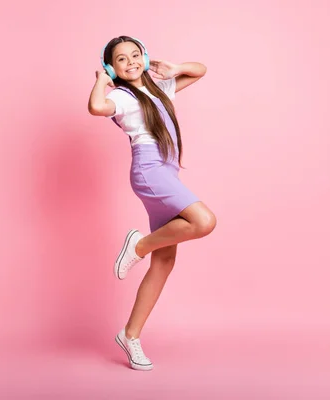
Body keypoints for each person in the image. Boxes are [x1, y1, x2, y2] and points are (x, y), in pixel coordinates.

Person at [87, 36, 216, 371]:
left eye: (135, 55)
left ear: (144, 56)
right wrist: (102, 79)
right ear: (110, 67)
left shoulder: (159, 90)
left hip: (166, 173)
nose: (129, 62)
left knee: (165, 262)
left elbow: (199, 71)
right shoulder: (121, 97)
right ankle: (139, 245)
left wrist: (173, 68)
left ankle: (130, 336)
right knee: (203, 222)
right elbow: (96, 107)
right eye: (120, 60)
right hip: (149, 171)